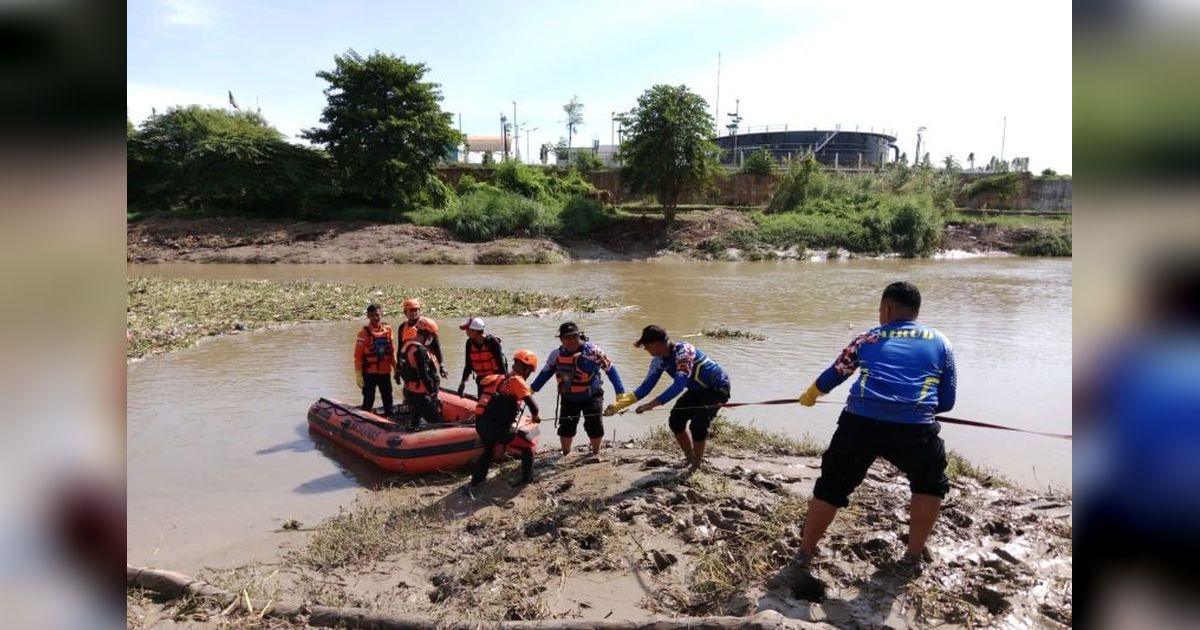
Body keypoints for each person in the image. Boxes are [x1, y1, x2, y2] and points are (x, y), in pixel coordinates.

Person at [793, 281, 957, 569]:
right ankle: (913, 556)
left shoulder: (867, 338)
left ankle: (805, 552)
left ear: (886, 309)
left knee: (831, 487)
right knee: (929, 486)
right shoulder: (941, 342)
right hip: (915, 430)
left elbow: (835, 373)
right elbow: (947, 401)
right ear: (916, 312)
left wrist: (811, 395)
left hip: (859, 426)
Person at [613, 325, 731, 471]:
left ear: (656, 344)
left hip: (717, 388)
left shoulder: (684, 352)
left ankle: (696, 465)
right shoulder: (659, 360)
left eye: (647, 346)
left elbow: (679, 385)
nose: (645, 349)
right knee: (676, 421)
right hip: (696, 390)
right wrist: (620, 404)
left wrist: (652, 404)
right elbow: (646, 387)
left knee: (698, 425)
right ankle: (689, 458)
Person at [530, 322, 633, 460]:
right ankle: (566, 455)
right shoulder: (556, 355)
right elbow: (545, 374)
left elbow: (610, 369)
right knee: (566, 426)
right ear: (561, 339)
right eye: (567, 338)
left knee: (594, 424)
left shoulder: (593, 351)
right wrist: (530, 390)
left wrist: (620, 393)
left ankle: (596, 453)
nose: (571, 341)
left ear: (579, 336)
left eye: (574, 337)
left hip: (592, 394)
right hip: (568, 397)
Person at [471, 349, 541, 487]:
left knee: (488, 450)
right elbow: (534, 407)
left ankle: (477, 480)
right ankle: (527, 479)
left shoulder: (500, 378)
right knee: (528, 447)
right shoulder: (517, 381)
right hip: (497, 427)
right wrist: (535, 417)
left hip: (481, 424)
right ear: (527, 369)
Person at [396, 319, 443, 429]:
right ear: (427, 334)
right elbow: (424, 375)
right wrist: (432, 393)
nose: (432, 339)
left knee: (415, 420)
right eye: (431, 336)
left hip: (410, 391)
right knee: (437, 422)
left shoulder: (408, 346)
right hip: (420, 394)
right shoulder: (420, 351)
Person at [353, 304, 396, 416]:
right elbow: (358, 356)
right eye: (372, 315)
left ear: (381, 314)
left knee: (388, 399)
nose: (375, 318)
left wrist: (397, 369)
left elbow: (391, 352)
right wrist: (358, 374)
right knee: (368, 399)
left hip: (385, 373)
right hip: (369, 373)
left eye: (377, 314)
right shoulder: (363, 333)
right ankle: (364, 420)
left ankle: (389, 420)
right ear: (368, 316)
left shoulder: (388, 330)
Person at [456, 317, 507, 398]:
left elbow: (501, 365)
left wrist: (504, 384)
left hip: (495, 380)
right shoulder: (469, 343)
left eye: (468, 330)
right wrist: (462, 383)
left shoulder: (492, 343)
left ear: (475, 331)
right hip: (481, 380)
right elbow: (468, 365)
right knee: (482, 404)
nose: (466, 332)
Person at [397, 297, 448, 379]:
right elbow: (400, 348)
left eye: (416, 310)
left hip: (427, 363)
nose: (413, 313)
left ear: (419, 311)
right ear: (405, 312)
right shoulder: (402, 327)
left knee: (430, 386)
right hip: (410, 365)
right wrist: (398, 369)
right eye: (411, 310)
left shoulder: (428, 325)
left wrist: (442, 365)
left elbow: (436, 347)